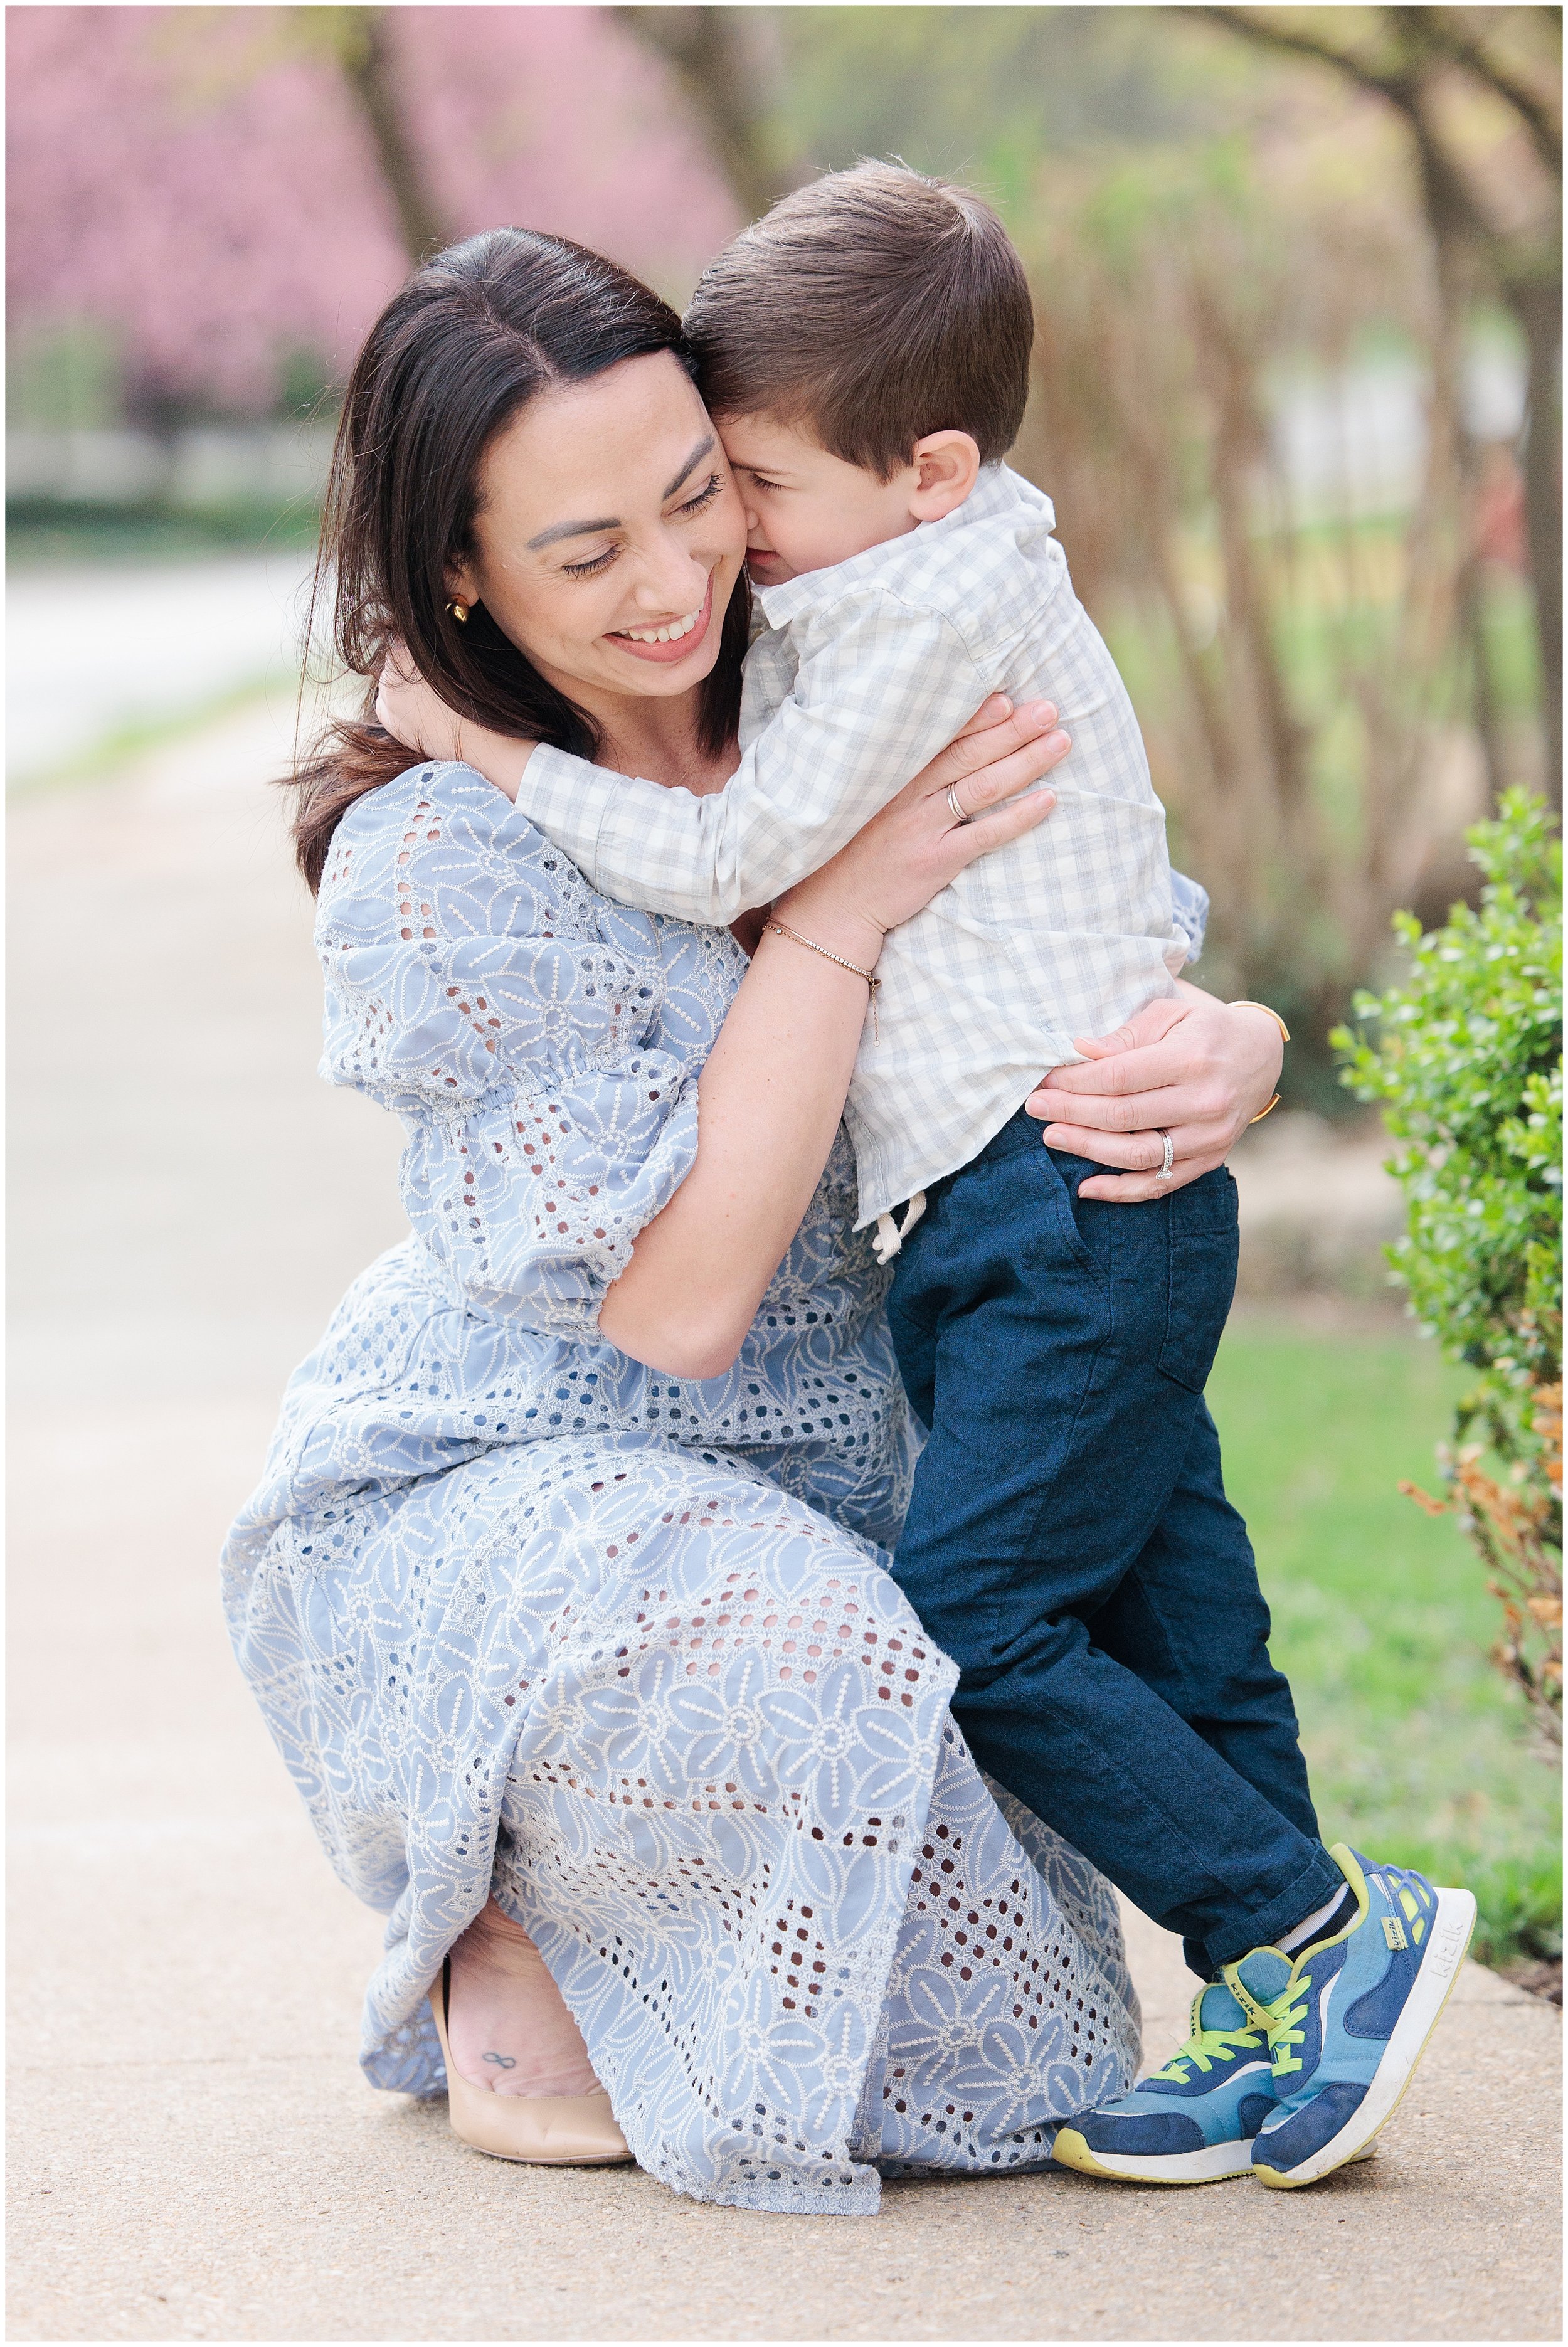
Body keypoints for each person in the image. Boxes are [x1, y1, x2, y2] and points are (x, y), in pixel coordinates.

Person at [380, 168, 1476, 2194]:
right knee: (1182, 1624)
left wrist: (1210, 1025)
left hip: (1040, 1211)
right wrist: (866, 907)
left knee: (977, 1618)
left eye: (724, 488)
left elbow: (937, 866)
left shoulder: (889, 603)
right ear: (457, 572)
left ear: (924, 468)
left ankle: (1320, 1939)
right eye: (593, 540)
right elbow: (684, 1292)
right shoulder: (848, 603)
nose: (708, 561)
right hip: (928, 1269)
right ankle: (1279, 1991)